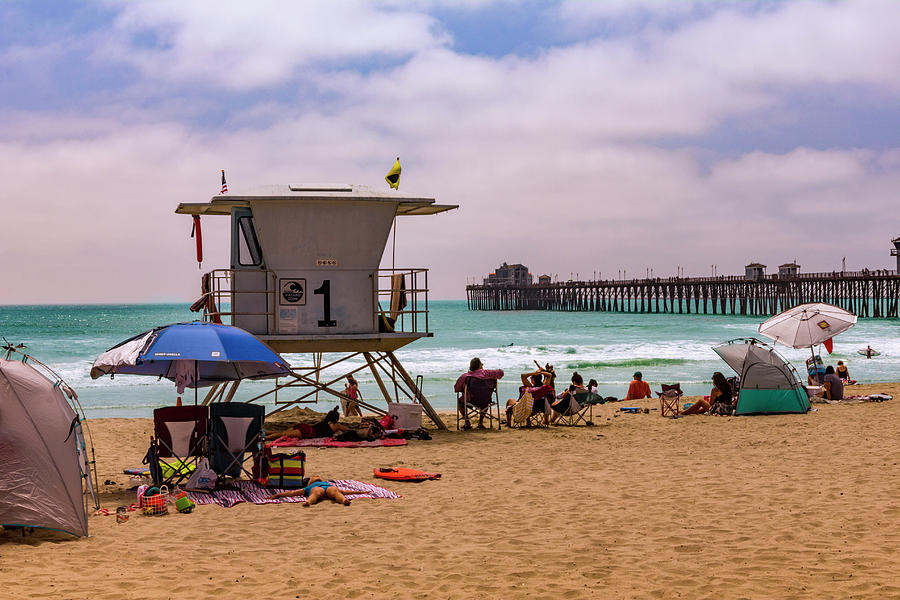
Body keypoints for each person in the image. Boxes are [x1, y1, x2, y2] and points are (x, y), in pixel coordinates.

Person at [453, 357, 504, 429]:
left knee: (460, 402)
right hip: (485, 400)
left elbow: (456, 389)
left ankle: (467, 422)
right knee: (485, 400)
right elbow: (501, 373)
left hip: (471, 400)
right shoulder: (488, 374)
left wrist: (463, 390)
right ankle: (480, 422)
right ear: (480, 365)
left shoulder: (465, 376)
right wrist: (485, 370)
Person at [268, 478, 369, 507]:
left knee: (336, 492)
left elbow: (345, 491)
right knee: (315, 493)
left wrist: (361, 492)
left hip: (328, 488)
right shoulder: (309, 487)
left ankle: (344, 500)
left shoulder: (327, 483)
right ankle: (309, 502)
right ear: (309, 482)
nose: (317, 476)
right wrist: (277, 495)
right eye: (314, 476)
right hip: (317, 489)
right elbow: (292, 493)